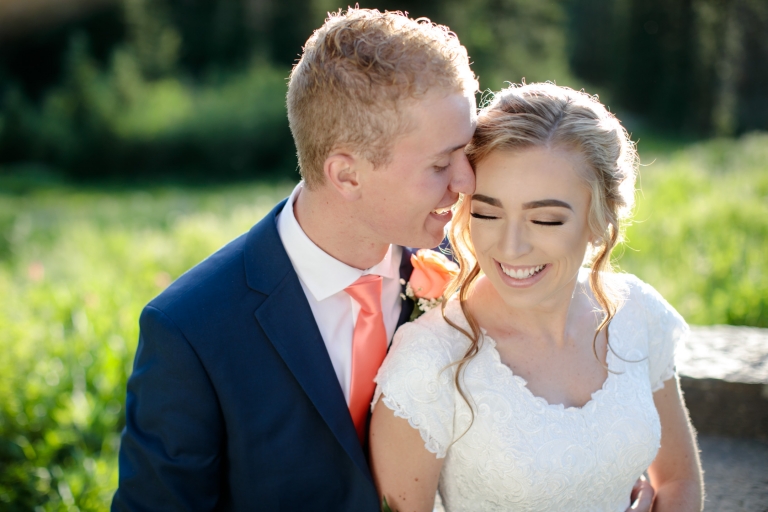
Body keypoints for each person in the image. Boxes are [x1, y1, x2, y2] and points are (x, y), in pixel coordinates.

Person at [111, 8, 477, 511]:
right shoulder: (191, 330)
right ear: (347, 175)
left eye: (466, 154)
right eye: (440, 164)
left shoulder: (476, 269)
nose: (465, 182)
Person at [370, 83, 704, 511]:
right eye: (487, 213)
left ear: (599, 219)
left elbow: (676, 481)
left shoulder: (637, 313)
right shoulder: (429, 362)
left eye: (545, 220)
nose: (510, 248)